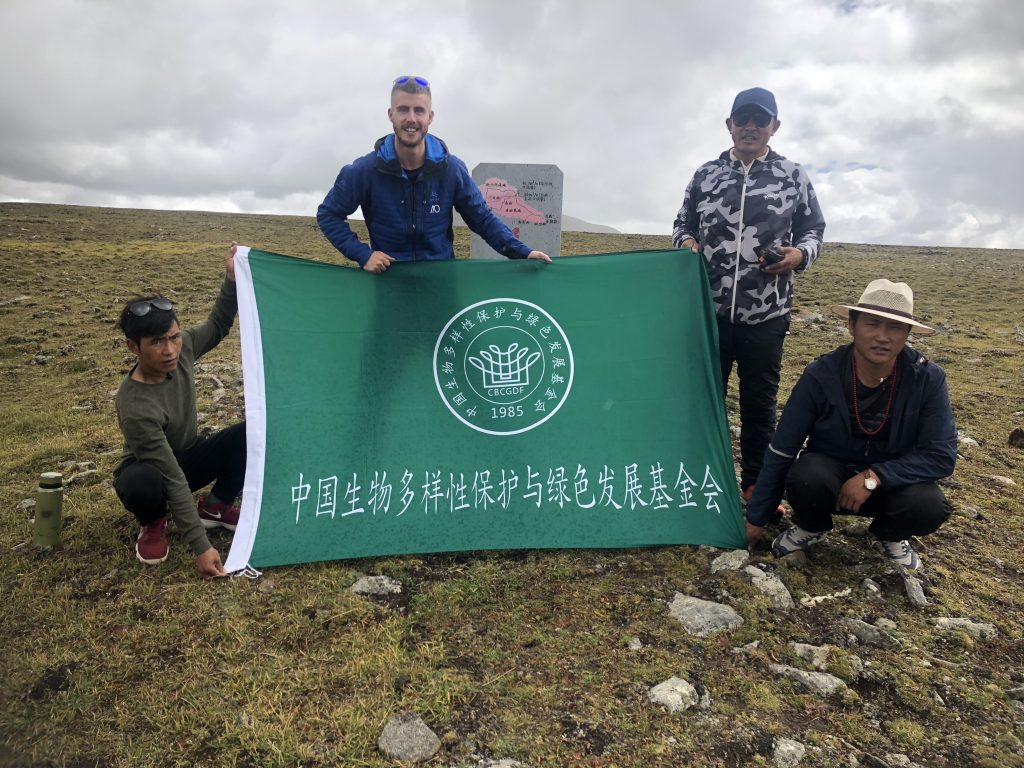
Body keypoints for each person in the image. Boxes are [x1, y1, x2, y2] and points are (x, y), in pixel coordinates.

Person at [672, 87, 825, 503]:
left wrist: (799, 255)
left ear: (775, 126)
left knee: (759, 408)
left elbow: (814, 230)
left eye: (761, 120)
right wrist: (685, 243)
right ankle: (700, 487)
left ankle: (757, 489)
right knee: (704, 404)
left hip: (767, 316)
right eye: (743, 119)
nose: (751, 127)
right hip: (709, 315)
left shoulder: (793, 175)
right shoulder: (705, 175)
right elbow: (682, 224)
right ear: (729, 125)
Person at [744, 279, 956, 570]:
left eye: (894, 327)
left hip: (891, 487)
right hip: (828, 482)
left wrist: (876, 476)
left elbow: (941, 455)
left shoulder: (929, 379)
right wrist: (757, 517)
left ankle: (890, 534)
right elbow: (783, 448)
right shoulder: (822, 374)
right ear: (852, 326)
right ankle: (812, 526)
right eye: (871, 324)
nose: (882, 336)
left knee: (929, 505)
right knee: (805, 475)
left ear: (907, 333)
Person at [317, 75, 551, 272]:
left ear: (430, 116)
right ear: (391, 115)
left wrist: (522, 252)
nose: (411, 118)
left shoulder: (451, 169)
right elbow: (328, 214)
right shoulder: (364, 171)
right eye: (403, 110)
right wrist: (362, 254)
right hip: (387, 284)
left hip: (441, 285)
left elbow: (482, 219)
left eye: (419, 110)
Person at [113, 245, 245, 578]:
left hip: (190, 455)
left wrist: (231, 280)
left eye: (173, 337)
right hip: (153, 469)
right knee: (141, 483)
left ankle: (216, 505)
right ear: (134, 346)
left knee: (253, 432)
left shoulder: (182, 349)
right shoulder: (135, 406)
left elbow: (217, 325)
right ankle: (154, 521)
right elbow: (170, 474)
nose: (170, 350)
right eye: (157, 342)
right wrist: (201, 547)